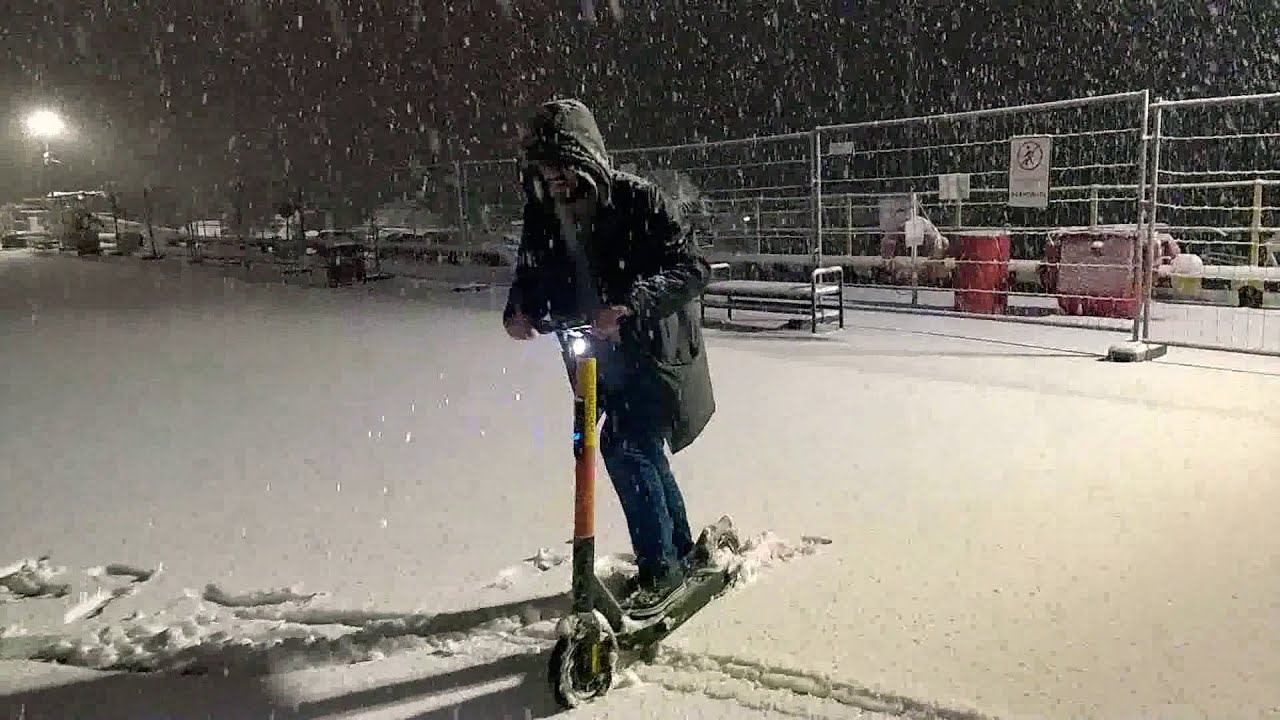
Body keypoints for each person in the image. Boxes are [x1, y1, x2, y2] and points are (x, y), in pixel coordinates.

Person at [502, 99, 715, 617]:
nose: (554, 183)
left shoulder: (640, 201)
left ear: (585, 160)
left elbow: (692, 269)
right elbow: (531, 272)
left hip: (653, 350)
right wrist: (519, 308)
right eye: (545, 173)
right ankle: (679, 550)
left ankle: (661, 570)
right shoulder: (542, 214)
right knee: (637, 451)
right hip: (591, 358)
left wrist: (630, 305)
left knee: (626, 447)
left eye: (562, 170)